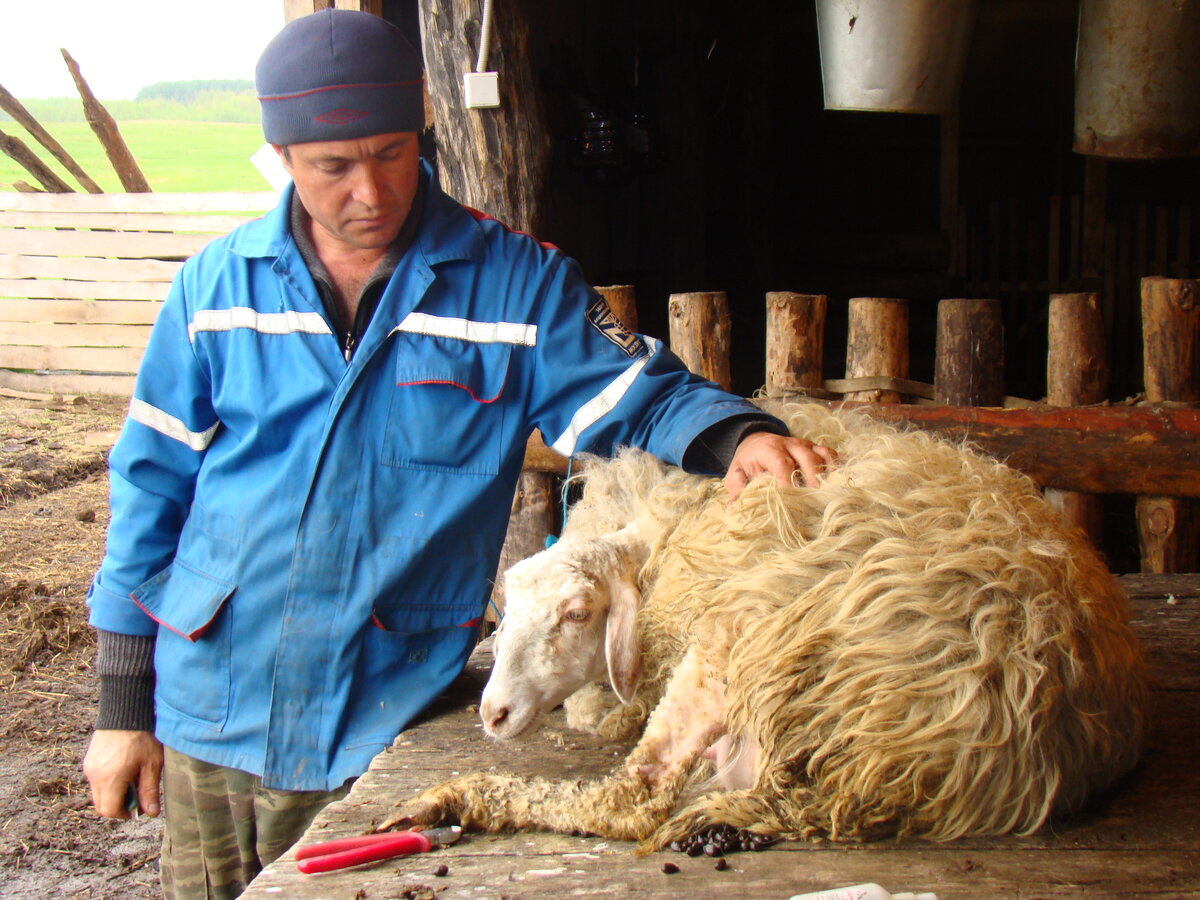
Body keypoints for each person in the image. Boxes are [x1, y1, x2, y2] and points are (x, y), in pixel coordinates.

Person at [82, 9, 834, 898]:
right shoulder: (215, 290)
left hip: (382, 713)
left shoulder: (512, 284)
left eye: (392, 152)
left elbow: (632, 392)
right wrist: (123, 710)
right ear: (280, 157)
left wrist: (737, 434)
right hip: (210, 701)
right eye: (333, 167)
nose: (371, 191)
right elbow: (149, 491)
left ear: (423, 128)